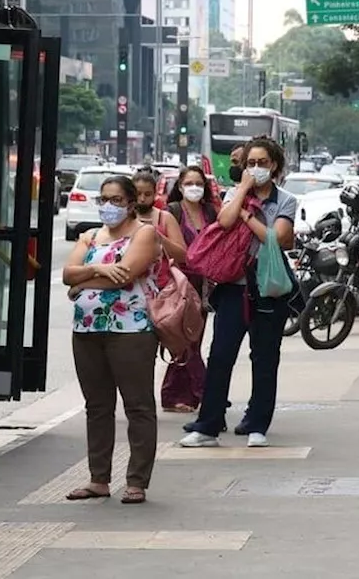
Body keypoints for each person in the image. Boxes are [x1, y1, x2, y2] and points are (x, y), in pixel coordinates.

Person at [180, 137, 298, 449]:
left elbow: (278, 239)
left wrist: (249, 217)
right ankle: (208, 424)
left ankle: (257, 424)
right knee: (220, 355)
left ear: (273, 165)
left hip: (268, 288)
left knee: (265, 357)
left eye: (262, 163)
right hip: (233, 288)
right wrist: (244, 192)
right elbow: (224, 221)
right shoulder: (236, 193)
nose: (255, 169)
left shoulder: (285, 200)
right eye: (250, 163)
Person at [62, 175, 161, 505]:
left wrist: (83, 283)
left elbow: (128, 275)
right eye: (104, 199)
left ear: (132, 202)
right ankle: (98, 479)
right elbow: (67, 274)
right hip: (87, 330)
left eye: (117, 200)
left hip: (130, 331)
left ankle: (136, 481)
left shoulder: (144, 233)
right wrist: (103, 271)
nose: (109, 206)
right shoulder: (90, 236)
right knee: (97, 407)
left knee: (138, 405)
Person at [158, 165, 221, 413]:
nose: (194, 187)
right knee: (183, 340)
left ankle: (190, 393)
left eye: (199, 183)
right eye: (189, 183)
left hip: (204, 284)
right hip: (180, 282)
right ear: (181, 186)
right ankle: (190, 392)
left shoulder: (210, 212)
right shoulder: (172, 211)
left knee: (195, 339)